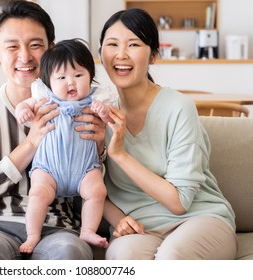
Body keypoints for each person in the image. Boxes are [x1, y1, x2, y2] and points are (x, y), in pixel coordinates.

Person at [0, 1, 106, 260]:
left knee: (70, 253)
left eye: (35, 45)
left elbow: (92, 190)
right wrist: (31, 144)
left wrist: (99, 149)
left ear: (52, 49)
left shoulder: (82, 107)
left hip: (57, 227)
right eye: (12, 47)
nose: (25, 57)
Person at [99, 8, 237, 260]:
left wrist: (119, 154)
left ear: (153, 56)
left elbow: (179, 203)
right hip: (140, 226)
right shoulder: (99, 112)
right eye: (112, 44)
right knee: (123, 257)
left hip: (197, 218)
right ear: (101, 54)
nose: (121, 54)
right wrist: (119, 219)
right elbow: (87, 184)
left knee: (172, 257)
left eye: (133, 44)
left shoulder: (178, 107)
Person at [15, 39, 116, 253]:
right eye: (61, 77)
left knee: (98, 191)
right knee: (38, 195)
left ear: (90, 75)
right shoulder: (45, 98)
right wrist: (22, 110)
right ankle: (32, 235)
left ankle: (88, 230)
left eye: (78, 75)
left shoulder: (95, 99)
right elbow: (25, 105)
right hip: (49, 169)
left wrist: (103, 111)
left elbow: (109, 120)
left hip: (84, 169)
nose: (71, 83)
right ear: (49, 81)